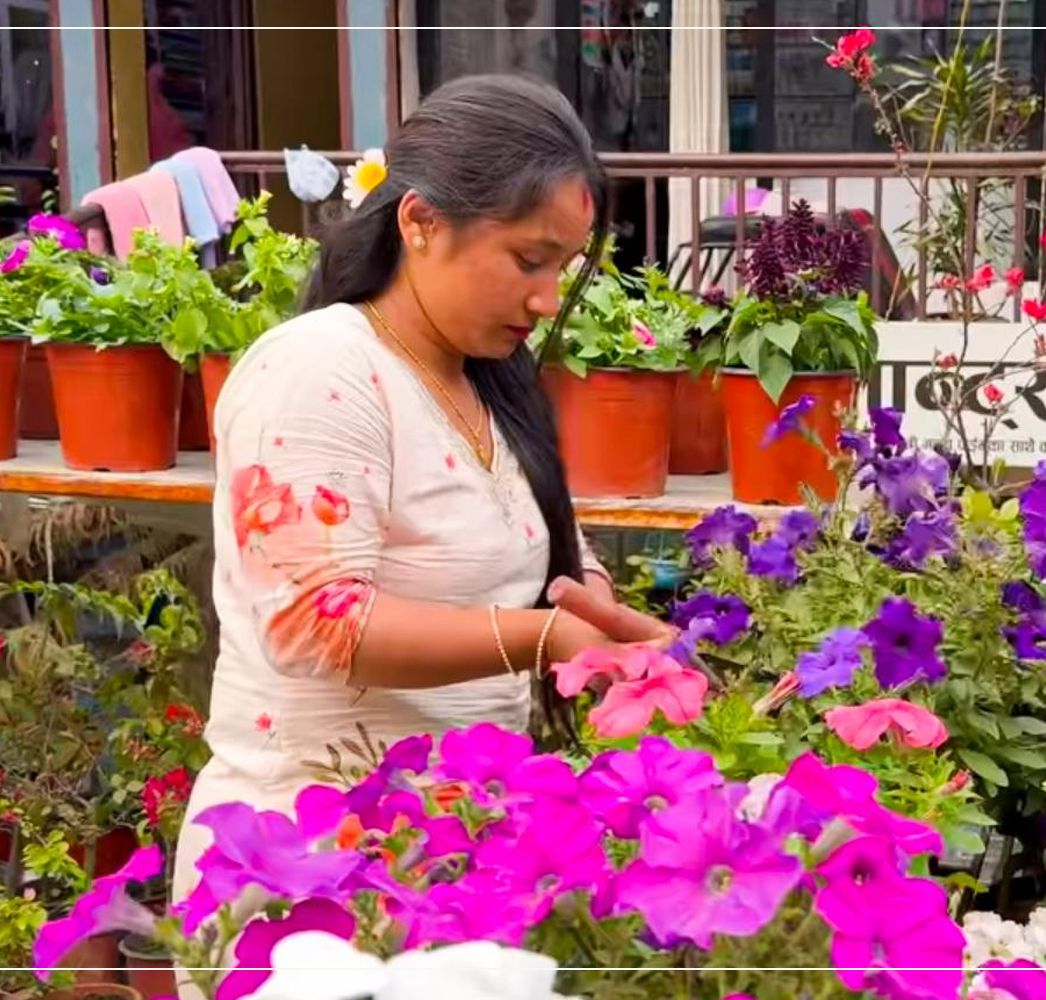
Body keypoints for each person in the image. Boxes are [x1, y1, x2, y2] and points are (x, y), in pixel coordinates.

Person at [168, 74, 672, 986]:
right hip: (309, 870)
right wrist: (544, 638)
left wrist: (615, 639)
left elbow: (555, 573)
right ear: (421, 222)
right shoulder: (321, 368)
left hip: (454, 864)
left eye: (565, 266)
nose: (550, 297)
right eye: (530, 260)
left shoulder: (487, 380)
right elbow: (319, 623)